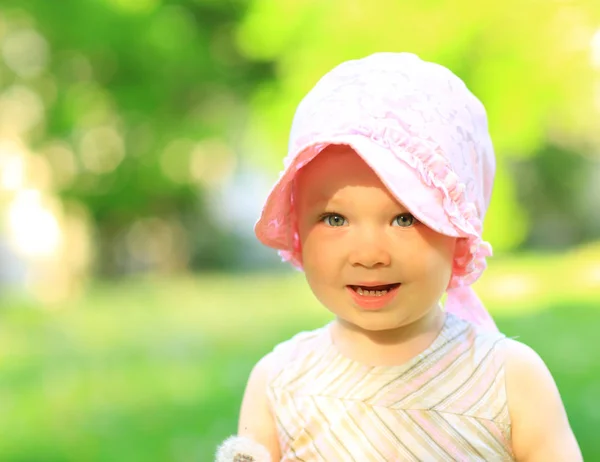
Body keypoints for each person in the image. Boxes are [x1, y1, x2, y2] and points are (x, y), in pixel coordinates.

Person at [216, 52, 582, 461]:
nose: (370, 254)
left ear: (459, 233)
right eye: (335, 218)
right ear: (298, 228)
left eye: (405, 218)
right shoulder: (280, 383)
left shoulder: (509, 380)